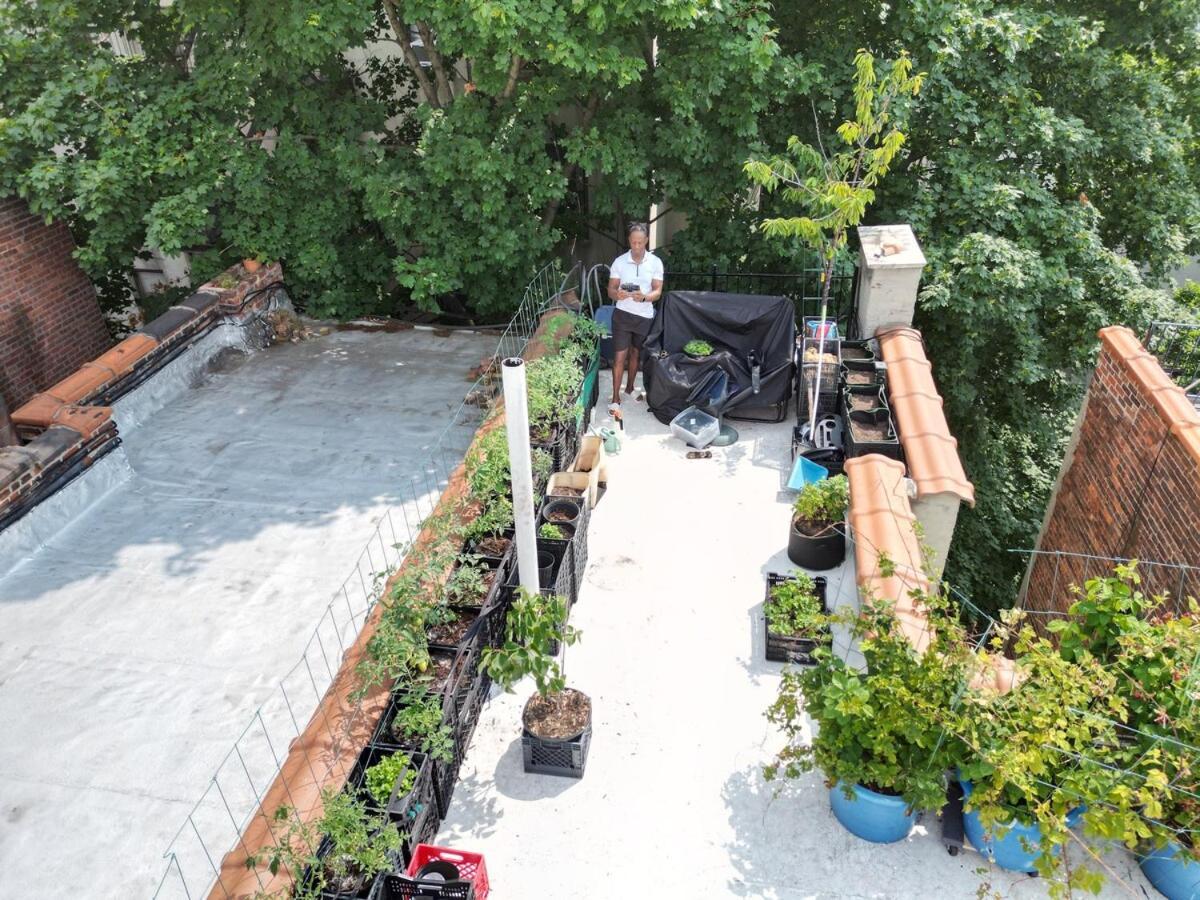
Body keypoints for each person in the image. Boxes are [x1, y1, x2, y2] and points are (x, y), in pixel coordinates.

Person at [606, 222, 664, 413]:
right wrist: (617, 295)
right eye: (633, 243)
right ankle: (615, 397)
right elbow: (610, 290)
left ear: (646, 241)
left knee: (636, 354)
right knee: (619, 356)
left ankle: (630, 388)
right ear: (629, 241)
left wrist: (645, 297)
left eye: (640, 243)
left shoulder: (655, 263)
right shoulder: (619, 262)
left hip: (644, 316)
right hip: (622, 315)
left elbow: (658, 291)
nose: (637, 247)